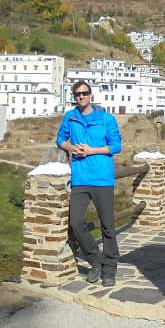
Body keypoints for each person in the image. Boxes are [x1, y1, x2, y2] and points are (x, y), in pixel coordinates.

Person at [55, 80, 122, 287]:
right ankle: (95, 260)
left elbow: (116, 146)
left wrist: (92, 150)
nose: (81, 97)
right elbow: (60, 140)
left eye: (84, 93)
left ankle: (109, 269)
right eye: (77, 94)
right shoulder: (71, 117)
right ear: (74, 97)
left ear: (90, 95)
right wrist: (71, 148)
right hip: (80, 179)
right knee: (75, 222)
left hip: (102, 178)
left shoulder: (106, 119)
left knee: (107, 225)